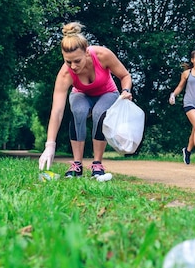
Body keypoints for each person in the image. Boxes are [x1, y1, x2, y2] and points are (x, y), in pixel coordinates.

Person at [39, 22, 133, 178]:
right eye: (68, 62)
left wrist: (126, 91)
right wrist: (50, 145)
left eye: (77, 61)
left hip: (107, 93)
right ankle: (77, 164)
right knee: (79, 111)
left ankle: (97, 164)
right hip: (81, 94)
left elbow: (125, 76)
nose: (73, 66)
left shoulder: (103, 55)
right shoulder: (65, 74)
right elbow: (57, 111)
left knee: (99, 113)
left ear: (86, 53)